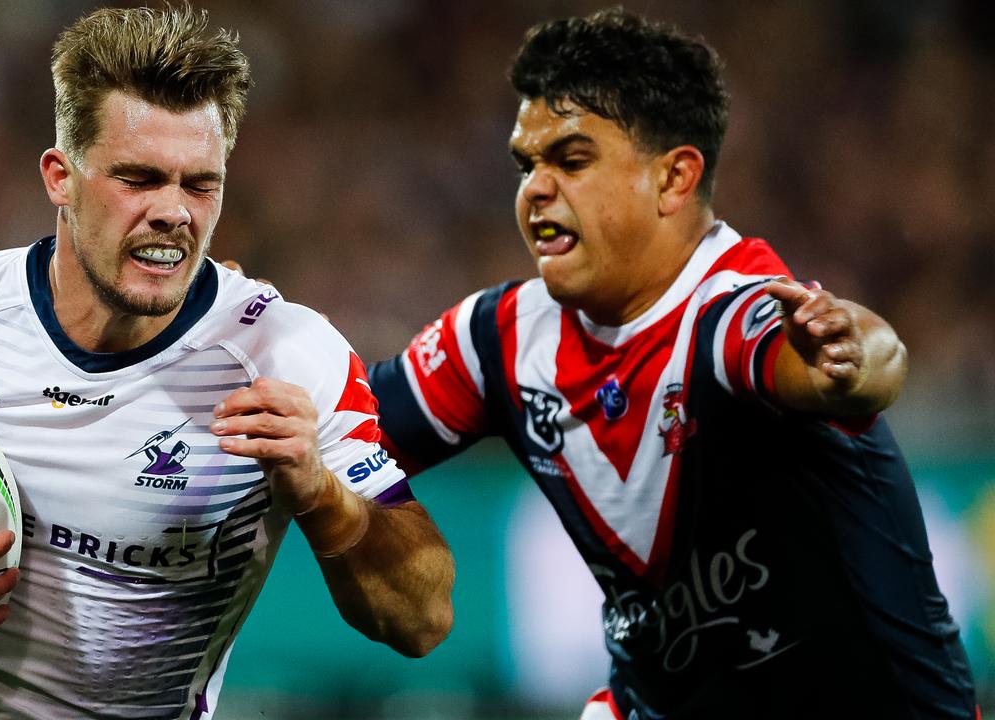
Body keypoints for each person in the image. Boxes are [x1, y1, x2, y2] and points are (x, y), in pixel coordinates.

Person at [0, 6, 454, 720]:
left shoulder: (290, 358)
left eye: (201, 185)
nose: (174, 212)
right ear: (60, 176)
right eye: (138, 179)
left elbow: (422, 619)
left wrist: (324, 498)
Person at [364, 9, 978, 719]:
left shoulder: (727, 311)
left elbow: (865, 358)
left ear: (674, 179)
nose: (534, 189)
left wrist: (852, 358)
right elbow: (343, 423)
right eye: (525, 165)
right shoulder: (498, 338)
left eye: (571, 160)